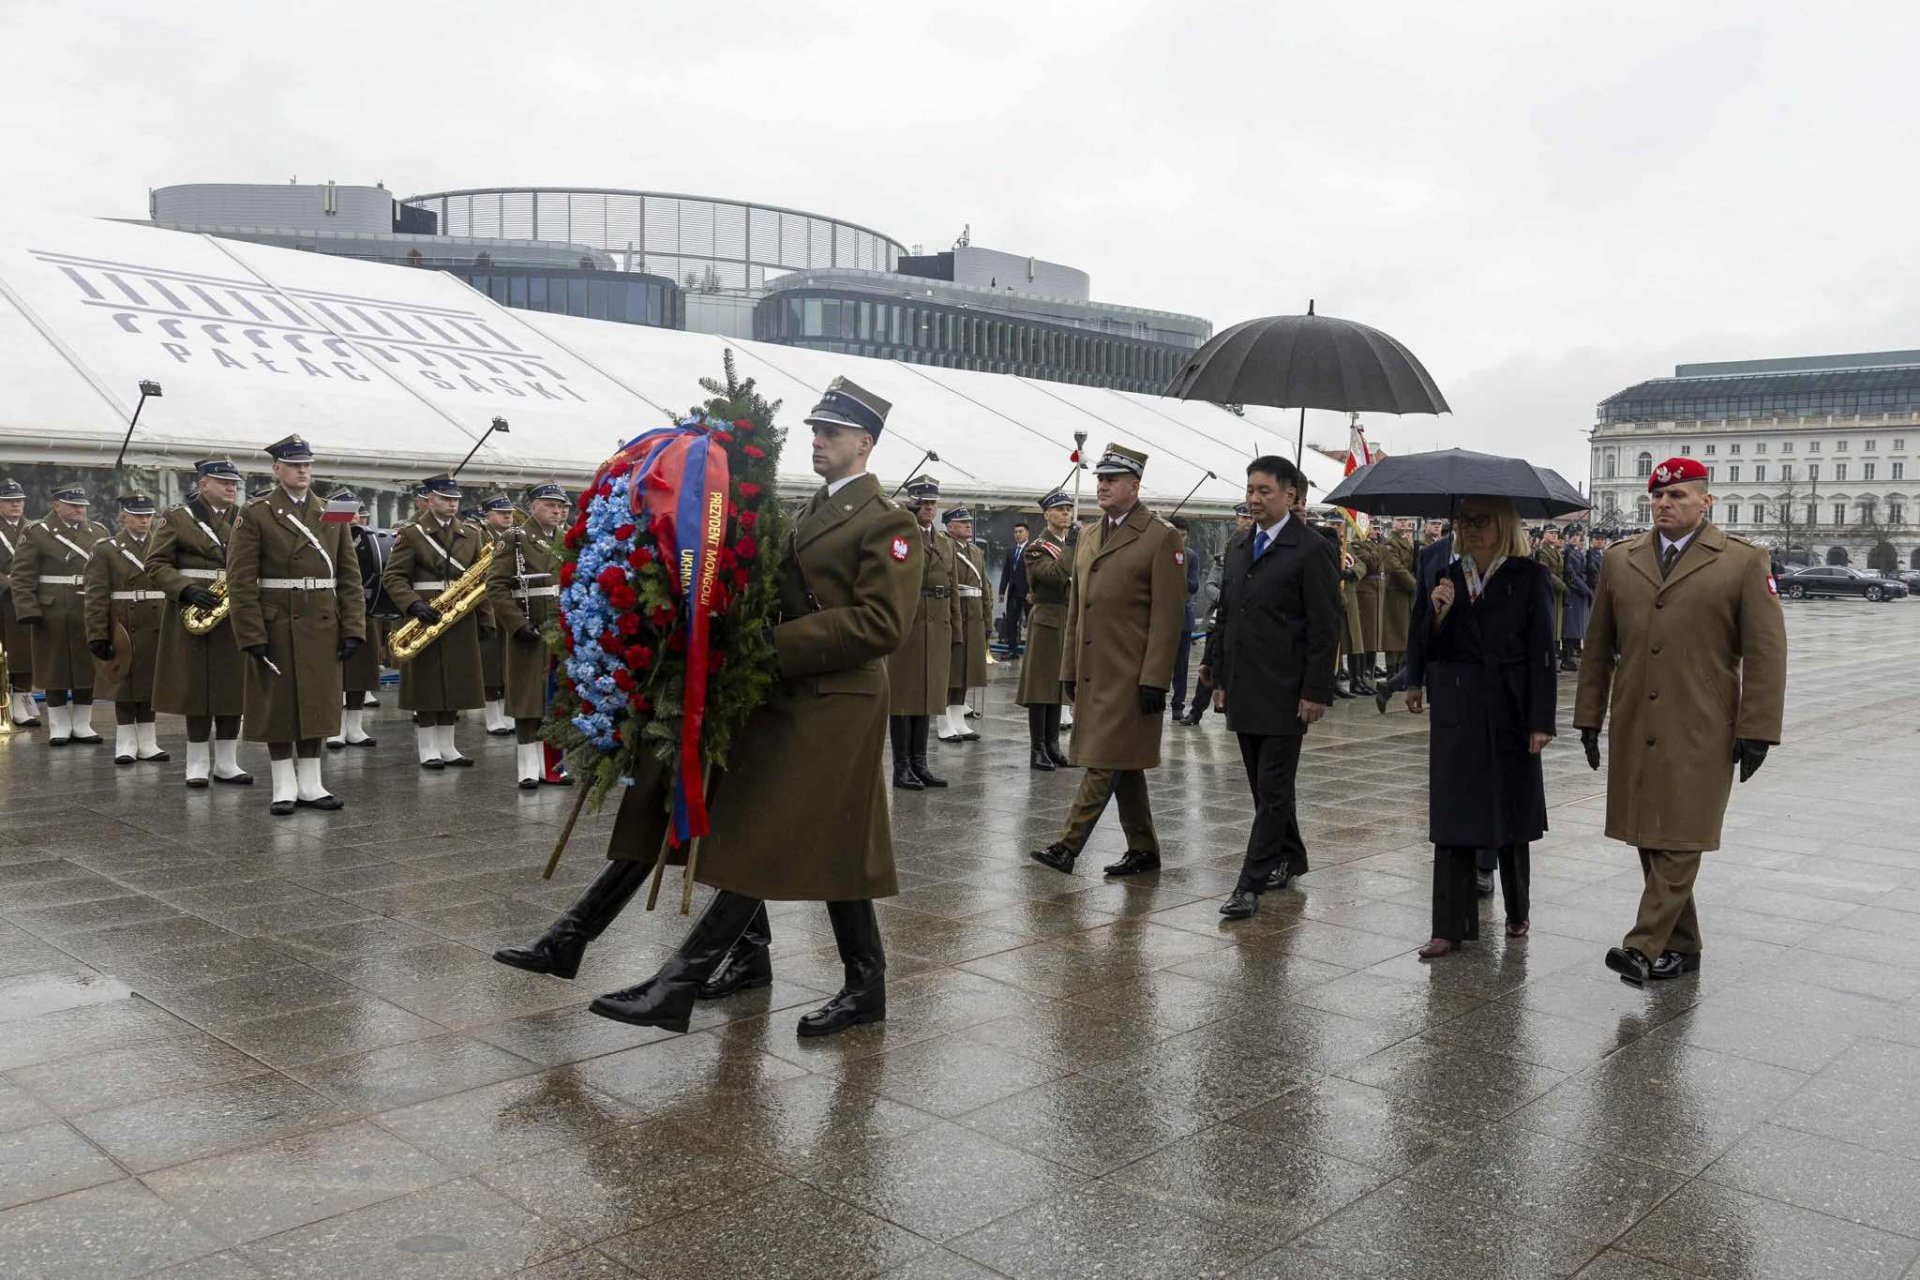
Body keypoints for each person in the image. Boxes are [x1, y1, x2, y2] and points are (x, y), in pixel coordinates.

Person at [559, 378, 921, 1037]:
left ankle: (680, 981)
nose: (818, 440)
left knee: (765, 835)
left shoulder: (888, 523)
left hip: (838, 703)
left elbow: (880, 624)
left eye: (832, 432)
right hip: (793, 694)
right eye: (814, 429)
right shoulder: (811, 510)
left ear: (865, 443)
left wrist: (769, 645)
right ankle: (861, 984)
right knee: (830, 843)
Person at [1575, 457, 1786, 986]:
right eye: (1658, 497)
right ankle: (1684, 946)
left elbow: (1766, 653)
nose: (1665, 505)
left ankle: (1642, 946)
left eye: (1678, 496)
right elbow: (1598, 647)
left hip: (1703, 720)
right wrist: (1588, 717)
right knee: (1650, 832)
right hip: (1634, 716)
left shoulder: (1742, 561)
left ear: (1705, 502)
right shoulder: (1622, 560)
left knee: (1682, 832)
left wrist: (1757, 729)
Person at [1405, 496, 1556, 957]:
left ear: (1503, 524)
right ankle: (1447, 927)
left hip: (1510, 706)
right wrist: (1440, 613)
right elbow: (1426, 640)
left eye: (1481, 521)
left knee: (1509, 812)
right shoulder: (1447, 576)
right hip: (1458, 705)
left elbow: (1542, 654)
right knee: (1453, 814)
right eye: (1464, 521)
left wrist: (1540, 720)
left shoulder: (1528, 577)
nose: (1471, 529)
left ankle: (1517, 909)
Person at [1030, 443, 1185, 877]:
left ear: (1135, 486)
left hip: (1132, 674)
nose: (1102, 485)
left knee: (1104, 761)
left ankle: (1067, 846)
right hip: (1096, 671)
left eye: (1112, 479)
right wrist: (1069, 668)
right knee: (1124, 761)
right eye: (1100, 478)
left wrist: (1156, 678)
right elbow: (1078, 609)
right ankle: (1144, 849)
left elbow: (1168, 616)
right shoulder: (1090, 534)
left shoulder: (1160, 536)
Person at [1203, 456, 1341, 918]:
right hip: (1245, 686)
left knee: (1275, 788)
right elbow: (1227, 615)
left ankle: (1250, 884)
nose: (1255, 498)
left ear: (1291, 496)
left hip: (1287, 691)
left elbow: (1325, 627)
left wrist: (1316, 690)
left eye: (1265, 490)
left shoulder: (1312, 548)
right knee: (1264, 789)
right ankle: (1291, 855)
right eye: (1250, 490)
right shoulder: (1242, 544)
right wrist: (1217, 674)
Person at [226, 435, 366, 814]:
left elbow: (349, 575)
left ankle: (312, 783)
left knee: (317, 704)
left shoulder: (331, 512)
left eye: (307, 464)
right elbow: (240, 581)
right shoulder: (255, 513)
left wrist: (353, 626)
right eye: (294, 465)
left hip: (322, 622)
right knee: (280, 706)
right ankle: (284, 785)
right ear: (277, 470)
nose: (303, 471)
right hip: (278, 624)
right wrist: (251, 634)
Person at [147, 458, 250, 784]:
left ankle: (226, 762)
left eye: (234, 482)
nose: (231, 487)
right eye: (223, 482)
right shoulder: (177, 517)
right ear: (203, 483)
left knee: (234, 688)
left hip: (235, 611)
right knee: (197, 689)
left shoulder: (245, 518)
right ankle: (195, 763)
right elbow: (155, 564)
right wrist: (185, 589)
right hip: (194, 611)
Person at [385, 473, 495, 771]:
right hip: (426, 616)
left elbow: (480, 580)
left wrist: (486, 618)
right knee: (427, 684)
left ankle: (448, 746)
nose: (451, 504)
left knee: (457, 682)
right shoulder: (412, 533)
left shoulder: (471, 533)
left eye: (455, 499)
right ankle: (428, 748)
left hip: (460, 616)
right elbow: (393, 577)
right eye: (445, 499)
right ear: (430, 499)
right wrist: (413, 604)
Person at [486, 482, 571, 790]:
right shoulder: (516, 539)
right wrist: (517, 623)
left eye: (562, 506)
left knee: (556, 699)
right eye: (551, 505)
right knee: (527, 700)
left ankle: (554, 767)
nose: (558, 511)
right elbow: (496, 586)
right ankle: (527, 767)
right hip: (530, 628)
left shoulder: (566, 538)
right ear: (533, 506)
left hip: (561, 629)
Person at [10, 485, 110, 745]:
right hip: (51, 610)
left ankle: (82, 723)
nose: (80, 510)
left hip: (88, 608)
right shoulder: (36, 532)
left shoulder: (98, 532)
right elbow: (22, 576)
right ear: (57, 505)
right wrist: (28, 610)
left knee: (87, 666)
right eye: (73, 505)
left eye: (83, 505)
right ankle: (59, 725)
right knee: (53, 669)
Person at [886, 475, 960, 789]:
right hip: (910, 623)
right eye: (923, 503)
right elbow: (892, 578)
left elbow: (953, 587)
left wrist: (955, 630)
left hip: (938, 623)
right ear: (912, 503)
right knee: (904, 697)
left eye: (933, 503)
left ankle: (920, 762)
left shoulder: (944, 541)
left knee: (928, 695)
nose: (929, 508)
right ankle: (901, 766)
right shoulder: (902, 537)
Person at [84, 494, 169, 764]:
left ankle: (148, 742)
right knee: (124, 684)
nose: (145, 520)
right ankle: (125, 743)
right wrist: (97, 633)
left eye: (148, 515)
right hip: (122, 623)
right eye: (138, 515)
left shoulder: (162, 544)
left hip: (156, 621)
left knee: (150, 685)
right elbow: (96, 595)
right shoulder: (106, 549)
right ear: (123, 516)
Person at [1016, 491, 1076, 770]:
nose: (1066, 513)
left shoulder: (1068, 545)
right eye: (1060, 509)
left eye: (1068, 509)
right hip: (1047, 618)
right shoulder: (1037, 548)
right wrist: (1072, 548)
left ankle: (1052, 745)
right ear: (1047, 515)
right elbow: (1054, 576)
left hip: (1067, 617)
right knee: (1041, 686)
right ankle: (1037, 748)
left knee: (1058, 685)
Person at [327, 501, 385, 750]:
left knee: (361, 671)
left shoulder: (367, 541)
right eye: (349, 517)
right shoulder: (328, 539)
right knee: (337, 672)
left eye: (359, 517)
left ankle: (355, 725)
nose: (355, 521)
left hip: (364, 608)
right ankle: (335, 727)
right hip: (332, 608)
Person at [938, 505, 988, 742]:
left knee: (966, 671)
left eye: (969, 521)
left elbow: (984, 588)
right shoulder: (944, 548)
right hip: (956, 613)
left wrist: (987, 621)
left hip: (974, 615)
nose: (969, 525)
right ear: (949, 527)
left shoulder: (976, 552)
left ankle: (958, 719)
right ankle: (944, 721)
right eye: (962, 522)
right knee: (951, 671)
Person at [475, 493, 517, 736]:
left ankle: (506, 712)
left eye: (509, 513)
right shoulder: (480, 536)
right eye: (502, 513)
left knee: (507, 662)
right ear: (488, 515)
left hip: (510, 603)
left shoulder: (515, 537)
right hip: (488, 602)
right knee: (492, 664)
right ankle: (493, 716)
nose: (508, 517)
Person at [0, 479, 39, 726]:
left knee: (25, 652)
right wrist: (8, 583)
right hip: (2, 598)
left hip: (25, 599)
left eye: (19, 501)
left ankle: (21, 701)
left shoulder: (34, 529)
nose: (16, 505)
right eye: (9, 501)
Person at [1166, 516, 1203, 722]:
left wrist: (1175, 575)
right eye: (1176, 535)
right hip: (1162, 617)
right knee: (1160, 662)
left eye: (1183, 535)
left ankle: (1177, 706)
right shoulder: (1160, 553)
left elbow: (1194, 585)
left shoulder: (1191, 556)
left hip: (1183, 616)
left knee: (1181, 665)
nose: (1180, 539)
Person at [1380, 517, 1418, 679]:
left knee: (1405, 633)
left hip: (1406, 592)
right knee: (1394, 633)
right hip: (1395, 591)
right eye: (1400, 520)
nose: (1404, 523)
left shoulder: (1407, 542)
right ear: (1393, 523)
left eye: (1406, 520)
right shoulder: (1390, 543)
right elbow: (1395, 568)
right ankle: (1392, 672)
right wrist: (1415, 585)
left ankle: (1400, 672)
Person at [1560, 525, 1592, 671]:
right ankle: (1567, 657)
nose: (1575, 538)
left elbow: (1583, 571)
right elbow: (1570, 574)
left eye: (1577, 535)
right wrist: (1586, 589)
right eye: (1572, 535)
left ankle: (1571, 655)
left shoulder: (1577, 552)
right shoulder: (1567, 552)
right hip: (1572, 592)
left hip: (1579, 593)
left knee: (1576, 626)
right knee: (1569, 627)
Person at [999, 521, 1031, 652]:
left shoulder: (1032, 549)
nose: (1018, 534)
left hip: (1027, 593)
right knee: (1011, 621)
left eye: (1021, 531)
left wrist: (1031, 591)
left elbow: (1034, 573)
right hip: (1013, 593)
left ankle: (1032, 649)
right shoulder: (1011, 551)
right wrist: (1002, 591)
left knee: (1031, 621)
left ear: (1027, 533)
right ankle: (1012, 649)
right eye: (1016, 532)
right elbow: (1006, 572)